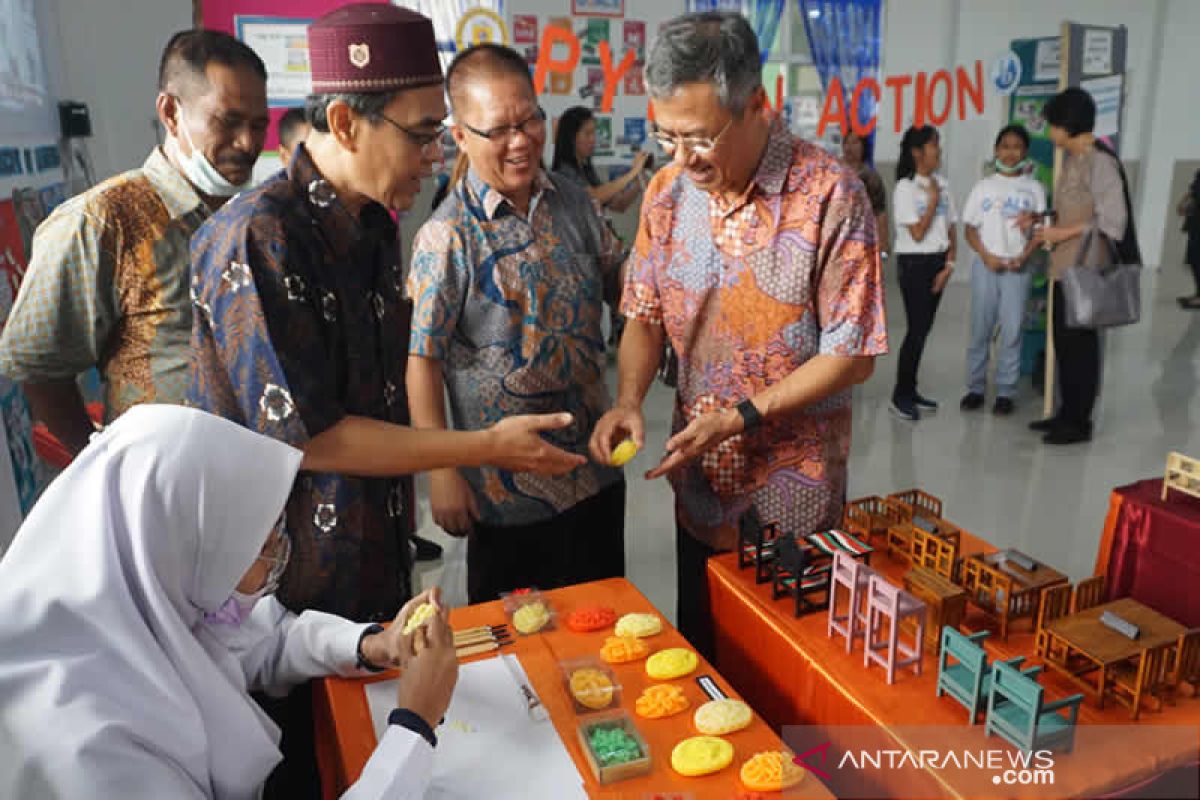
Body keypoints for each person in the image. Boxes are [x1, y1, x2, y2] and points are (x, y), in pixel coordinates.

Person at [186, 9, 583, 794]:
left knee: (390, 757)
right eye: (423, 132)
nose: (436, 155)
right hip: (279, 604)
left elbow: (386, 388)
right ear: (344, 120)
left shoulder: (371, 224)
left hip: (371, 569)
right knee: (308, 769)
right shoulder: (258, 239)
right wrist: (482, 448)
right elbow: (316, 439)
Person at [589, 12, 885, 660]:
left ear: (757, 105)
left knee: (783, 670)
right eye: (666, 136)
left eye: (697, 137)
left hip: (793, 500)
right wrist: (631, 399)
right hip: (700, 485)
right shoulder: (666, 195)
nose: (680, 158)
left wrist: (740, 416)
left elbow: (852, 354)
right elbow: (642, 313)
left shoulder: (830, 197)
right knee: (701, 656)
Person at [0, 405, 457, 799]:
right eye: (262, 542)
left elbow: (260, 641)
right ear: (190, 545)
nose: (277, 553)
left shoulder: (141, 593)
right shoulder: (92, 754)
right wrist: (414, 727)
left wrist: (372, 644)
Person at [406, 44, 626, 604]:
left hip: (595, 471)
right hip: (506, 495)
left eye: (530, 119)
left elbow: (628, 290)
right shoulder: (448, 235)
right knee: (519, 651)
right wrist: (442, 472)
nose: (522, 140)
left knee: (603, 622)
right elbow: (422, 362)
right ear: (460, 137)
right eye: (499, 129)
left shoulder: (576, 204)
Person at [0, 30, 269, 455]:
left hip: (255, 484)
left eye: (259, 125)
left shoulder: (253, 220)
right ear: (171, 112)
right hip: (156, 489)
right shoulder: (102, 220)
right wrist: (98, 461)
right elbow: (36, 363)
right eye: (228, 121)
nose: (248, 143)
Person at [1027, 87, 1134, 444]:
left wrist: (1061, 232)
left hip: (1087, 270)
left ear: (1066, 124)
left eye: (1052, 125)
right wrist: (1042, 219)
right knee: (1064, 343)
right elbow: (1072, 209)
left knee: (1081, 348)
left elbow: (1112, 223)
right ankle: (1064, 412)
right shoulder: (1073, 161)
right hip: (1062, 269)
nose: (1049, 132)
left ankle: (1078, 422)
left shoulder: (1101, 163)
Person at [959, 124, 1046, 415]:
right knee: (980, 330)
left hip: (1018, 269)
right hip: (987, 266)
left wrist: (1025, 254)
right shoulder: (984, 186)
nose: (1010, 152)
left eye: (1017, 147)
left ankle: (1006, 391)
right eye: (1005, 146)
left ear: (1025, 152)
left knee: (1012, 331)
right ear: (996, 150)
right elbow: (969, 229)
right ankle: (975, 387)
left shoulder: (1034, 189)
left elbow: (1040, 230)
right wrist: (985, 255)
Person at [890, 124, 957, 422]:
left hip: (938, 263)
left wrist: (949, 265)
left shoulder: (943, 184)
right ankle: (900, 395)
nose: (938, 150)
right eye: (933, 145)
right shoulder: (905, 188)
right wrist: (931, 201)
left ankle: (911, 389)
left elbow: (952, 226)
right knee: (916, 331)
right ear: (917, 152)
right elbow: (917, 233)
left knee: (924, 331)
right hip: (914, 264)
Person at [552, 105, 650, 212]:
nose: (593, 139)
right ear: (571, 137)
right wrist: (632, 173)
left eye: (594, 133)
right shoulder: (564, 172)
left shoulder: (586, 169)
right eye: (587, 134)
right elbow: (593, 198)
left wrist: (637, 181)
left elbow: (619, 205)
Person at [841, 130, 889, 257]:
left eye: (855, 142)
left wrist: (883, 243)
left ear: (863, 147)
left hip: (863, 238)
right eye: (847, 143)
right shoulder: (834, 171)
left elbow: (880, 211)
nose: (850, 147)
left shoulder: (871, 177)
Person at [1177, 168, 1200, 309]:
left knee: (1197, 258)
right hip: (1196, 219)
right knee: (1194, 258)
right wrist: (1184, 202)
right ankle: (1198, 293)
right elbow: (1194, 189)